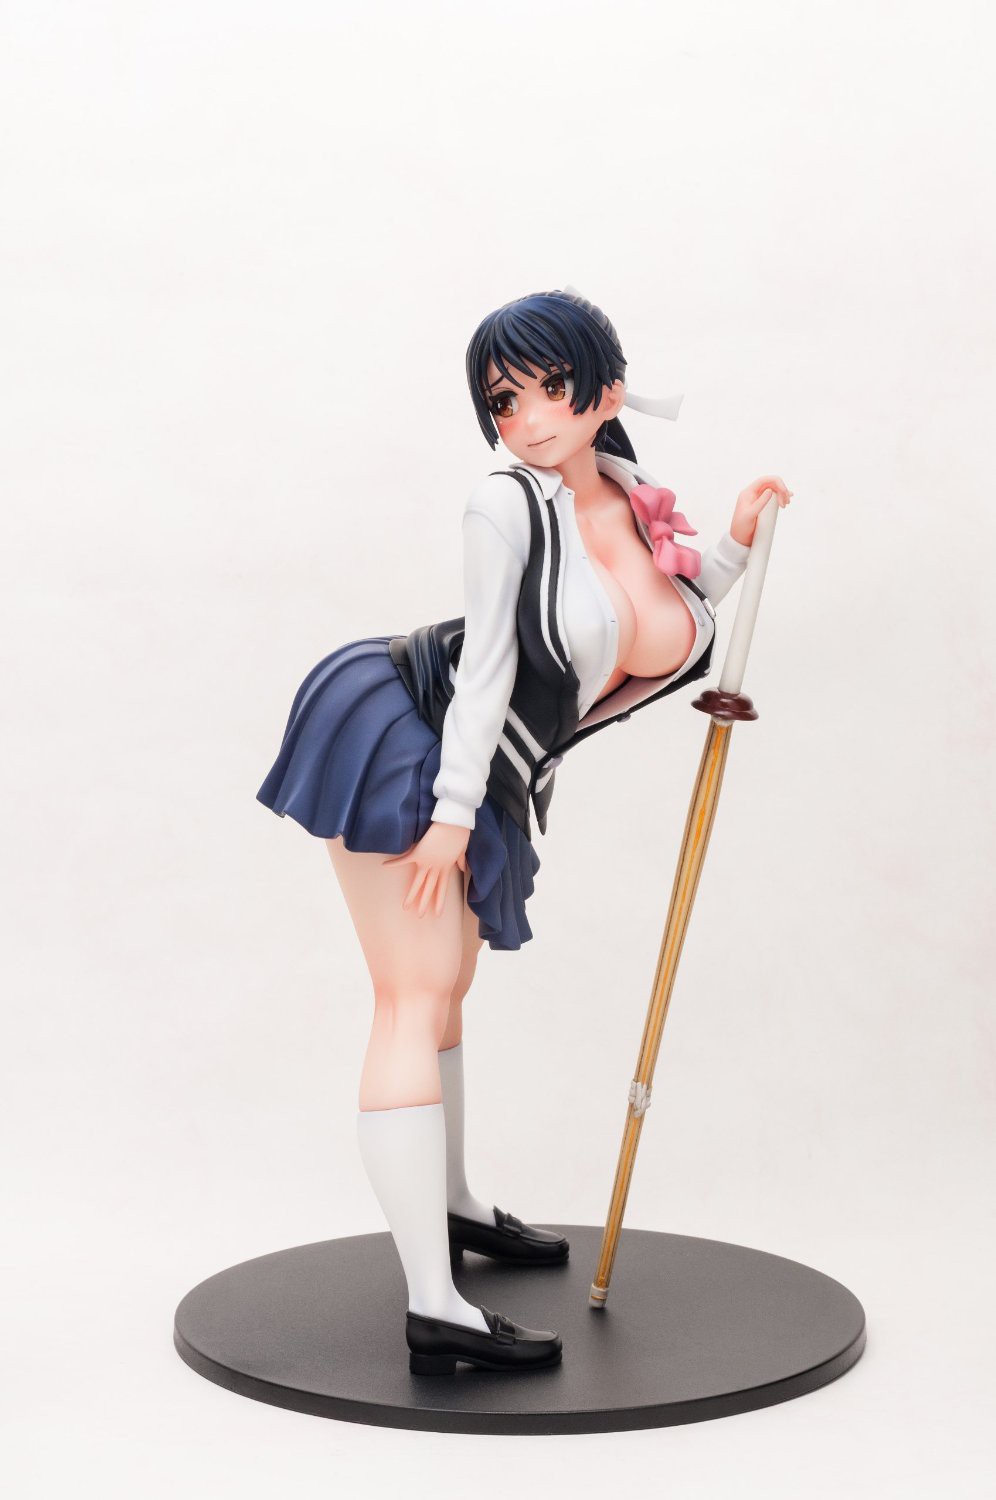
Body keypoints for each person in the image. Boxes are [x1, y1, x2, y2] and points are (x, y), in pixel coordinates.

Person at [256, 289, 793, 1375]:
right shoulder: (504, 504)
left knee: (449, 986)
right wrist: (450, 818)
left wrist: (737, 543)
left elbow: (665, 609)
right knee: (414, 994)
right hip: (406, 727)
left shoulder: (631, 495)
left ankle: (452, 1205)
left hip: (487, 765)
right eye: (506, 400)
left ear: (606, 389)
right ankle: (435, 1307)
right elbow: (490, 668)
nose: (532, 419)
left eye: (552, 388)